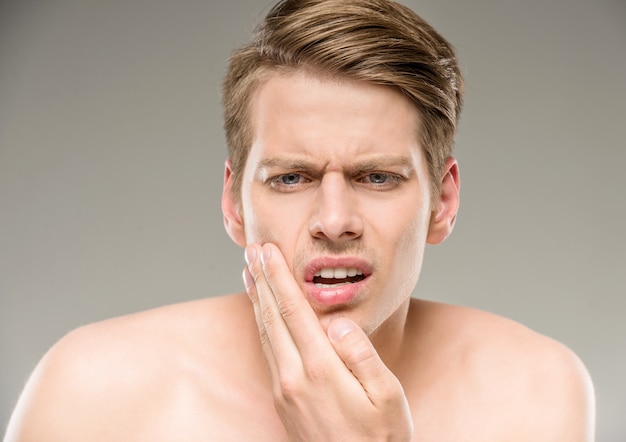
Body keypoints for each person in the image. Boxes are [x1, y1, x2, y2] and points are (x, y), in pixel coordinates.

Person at [5, 0, 595, 440]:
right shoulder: (91, 393)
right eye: (292, 178)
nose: (335, 221)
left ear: (442, 201)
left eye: (377, 177)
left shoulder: (534, 394)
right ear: (235, 204)